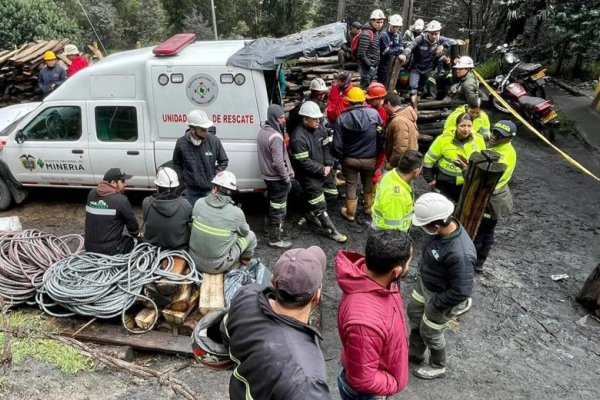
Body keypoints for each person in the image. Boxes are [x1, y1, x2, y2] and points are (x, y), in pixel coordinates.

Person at [221, 246, 331, 399]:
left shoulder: (246, 296)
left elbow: (225, 334)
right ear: (316, 296)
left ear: (273, 280)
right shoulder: (307, 381)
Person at [336, 229, 411, 399]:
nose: (410, 265)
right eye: (409, 261)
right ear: (397, 271)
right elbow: (362, 380)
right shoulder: (364, 323)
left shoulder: (379, 280)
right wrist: (395, 382)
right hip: (368, 394)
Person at [407, 192, 476, 380]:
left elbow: (462, 290)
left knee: (431, 331)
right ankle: (415, 353)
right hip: (426, 285)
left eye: (424, 225)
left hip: (440, 297)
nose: (422, 228)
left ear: (435, 225)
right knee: (414, 314)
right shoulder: (441, 233)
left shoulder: (460, 253)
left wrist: (436, 303)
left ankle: (438, 366)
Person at [291, 101, 347, 243]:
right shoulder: (298, 137)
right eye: (315, 119)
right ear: (305, 119)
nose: (319, 120)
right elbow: (304, 163)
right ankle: (331, 231)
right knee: (320, 205)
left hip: (324, 171)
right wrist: (322, 169)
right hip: (310, 177)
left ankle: (310, 211)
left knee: (333, 194)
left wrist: (328, 164)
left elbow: (326, 148)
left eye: (319, 118)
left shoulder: (320, 129)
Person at [188, 171, 256, 273]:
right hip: (218, 266)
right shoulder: (236, 213)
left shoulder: (199, 203)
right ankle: (242, 266)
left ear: (215, 188)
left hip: (193, 260)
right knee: (251, 235)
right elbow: (245, 232)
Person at [333, 87, 383, 222]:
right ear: (363, 100)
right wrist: (376, 153)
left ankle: (350, 213)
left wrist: (341, 158)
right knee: (367, 181)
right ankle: (368, 207)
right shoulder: (374, 114)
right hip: (369, 159)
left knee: (351, 184)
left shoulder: (341, 118)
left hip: (349, 160)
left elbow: (337, 145)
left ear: (348, 102)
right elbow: (381, 137)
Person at [473, 120, 517, 273]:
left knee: (480, 231)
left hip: (492, 199)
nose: (495, 137)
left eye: (500, 135)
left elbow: (485, 177)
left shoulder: (503, 155)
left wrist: (467, 169)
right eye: (495, 132)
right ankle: (478, 263)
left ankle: (474, 263)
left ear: (509, 138)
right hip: (496, 197)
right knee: (487, 232)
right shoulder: (500, 149)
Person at [422, 112, 486, 202]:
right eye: (462, 126)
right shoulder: (443, 140)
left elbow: (482, 162)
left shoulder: (478, 140)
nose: (466, 129)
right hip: (445, 182)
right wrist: (430, 179)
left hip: (466, 183)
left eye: (469, 126)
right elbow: (428, 160)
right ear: (456, 125)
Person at [172, 109, 228, 206]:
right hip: (190, 190)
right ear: (192, 130)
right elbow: (176, 163)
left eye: (207, 129)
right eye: (203, 129)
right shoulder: (181, 143)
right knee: (192, 216)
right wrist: (182, 180)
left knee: (208, 216)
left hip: (209, 190)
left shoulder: (214, 141)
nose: (206, 132)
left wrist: (213, 175)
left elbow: (223, 161)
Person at [257, 104, 295, 248]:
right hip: (277, 179)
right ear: (273, 118)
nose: (283, 120)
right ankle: (275, 239)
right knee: (278, 209)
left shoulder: (263, 132)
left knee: (273, 204)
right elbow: (278, 162)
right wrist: (286, 179)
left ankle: (270, 230)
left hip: (268, 177)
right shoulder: (276, 136)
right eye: (280, 117)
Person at [398, 20, 457, 102]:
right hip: (416, 68)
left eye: (436, 33)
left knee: (420, 90)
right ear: (427, 32)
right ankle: (413, 106)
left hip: (427, 69)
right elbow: (410, 46)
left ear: (439, 33)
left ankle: (416, 105)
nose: (434, 36)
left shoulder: (440, 40)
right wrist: (404, 54)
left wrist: (443, 45)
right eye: (432, 33)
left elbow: (454, 41)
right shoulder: (420, 39)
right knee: (413, 87)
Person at [84, 168, 139, 255]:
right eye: (123, 181)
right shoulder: (121, 200)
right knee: (135, 241)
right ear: (113, 183)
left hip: (89, 247)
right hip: (111, 250)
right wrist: (136, 235)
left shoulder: (91, 194)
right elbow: (132, 225)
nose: (125, 184)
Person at [142, 167, 192, 250]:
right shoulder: (185, 205)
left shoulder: (147, 202)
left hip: (152, 247)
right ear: (176, 187)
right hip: (178, 247)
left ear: (157, 187)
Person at [371, 150, 422, 232]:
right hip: (387, 236)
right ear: (415, 171)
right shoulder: (397, 196)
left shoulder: (390, 175)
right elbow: (392, 228)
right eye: (421, 169)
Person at [383, 93, 419, 170]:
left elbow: (400, 147)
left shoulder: (399, 121)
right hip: (409, 160)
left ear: (388, 104)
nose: (383, 108)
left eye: (384, 106)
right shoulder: (406, 115)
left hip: (401, 165)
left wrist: (392, 164)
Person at [365, 83, 389, 192]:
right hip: (371, 146)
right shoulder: (371, 108)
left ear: (380, 99)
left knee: (375, 170)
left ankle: (374, 194)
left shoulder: (384, 113)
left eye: (372, 99)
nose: (368, 101)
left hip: (378, 147)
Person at [357, 9, 386, 89]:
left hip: (372, 67)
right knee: (364, 88)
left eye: (381, 22)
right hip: (367, 68)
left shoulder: (375, 32)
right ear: (372, 21)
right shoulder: (366, 33)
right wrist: (370, 65)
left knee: (367, 88)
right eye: (377, 22)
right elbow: (361, 54)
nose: (380, 25)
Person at [377, 14, 404, 85]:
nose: (395, 29)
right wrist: (397, 49)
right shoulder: (383, 35)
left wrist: (394, 49)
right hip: (383, 64)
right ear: (390, 25)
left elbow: (401, 48)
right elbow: (387, 52)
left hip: (394, 64)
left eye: (397, 27)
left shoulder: (399, 35)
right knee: (382, 83)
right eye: (394, 26)